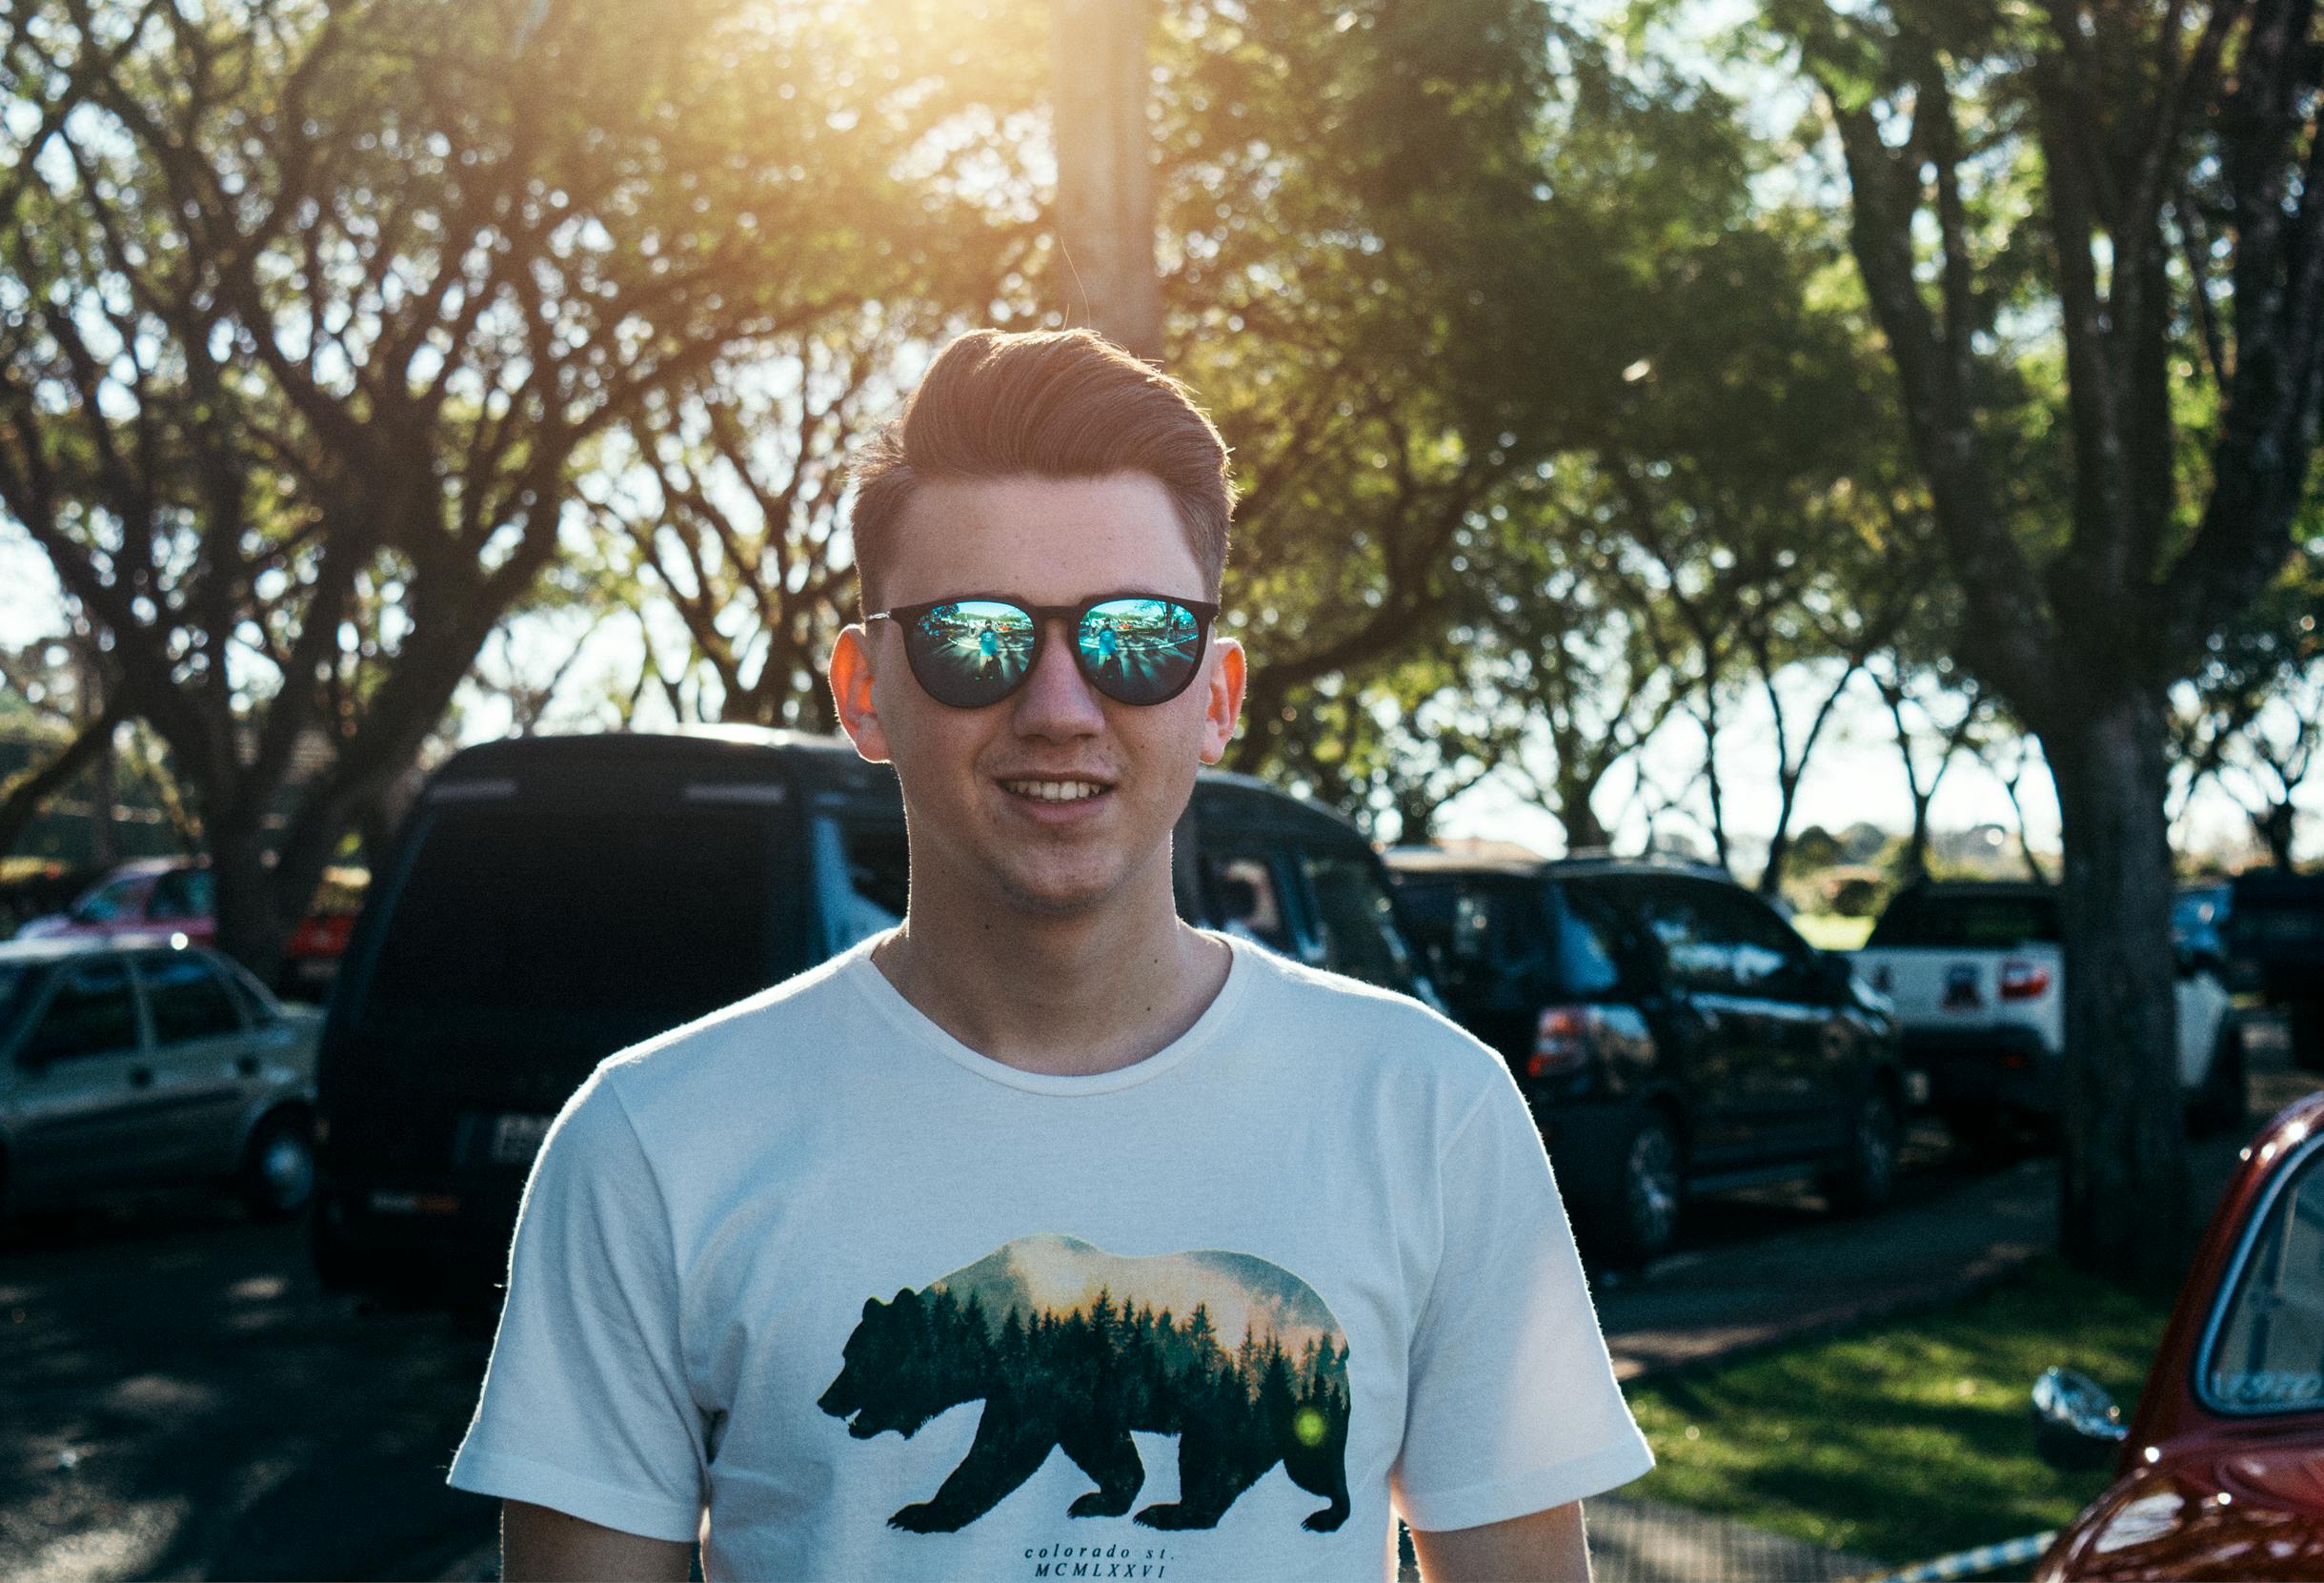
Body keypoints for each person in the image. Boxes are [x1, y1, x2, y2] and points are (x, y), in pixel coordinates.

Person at [447, 328, 1652, 1581]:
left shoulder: (1426, 1110)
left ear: (1218, 696)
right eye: (977, 638)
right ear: (866, 688)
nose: (1062, 705)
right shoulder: (652, 1143)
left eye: (1138, 637)